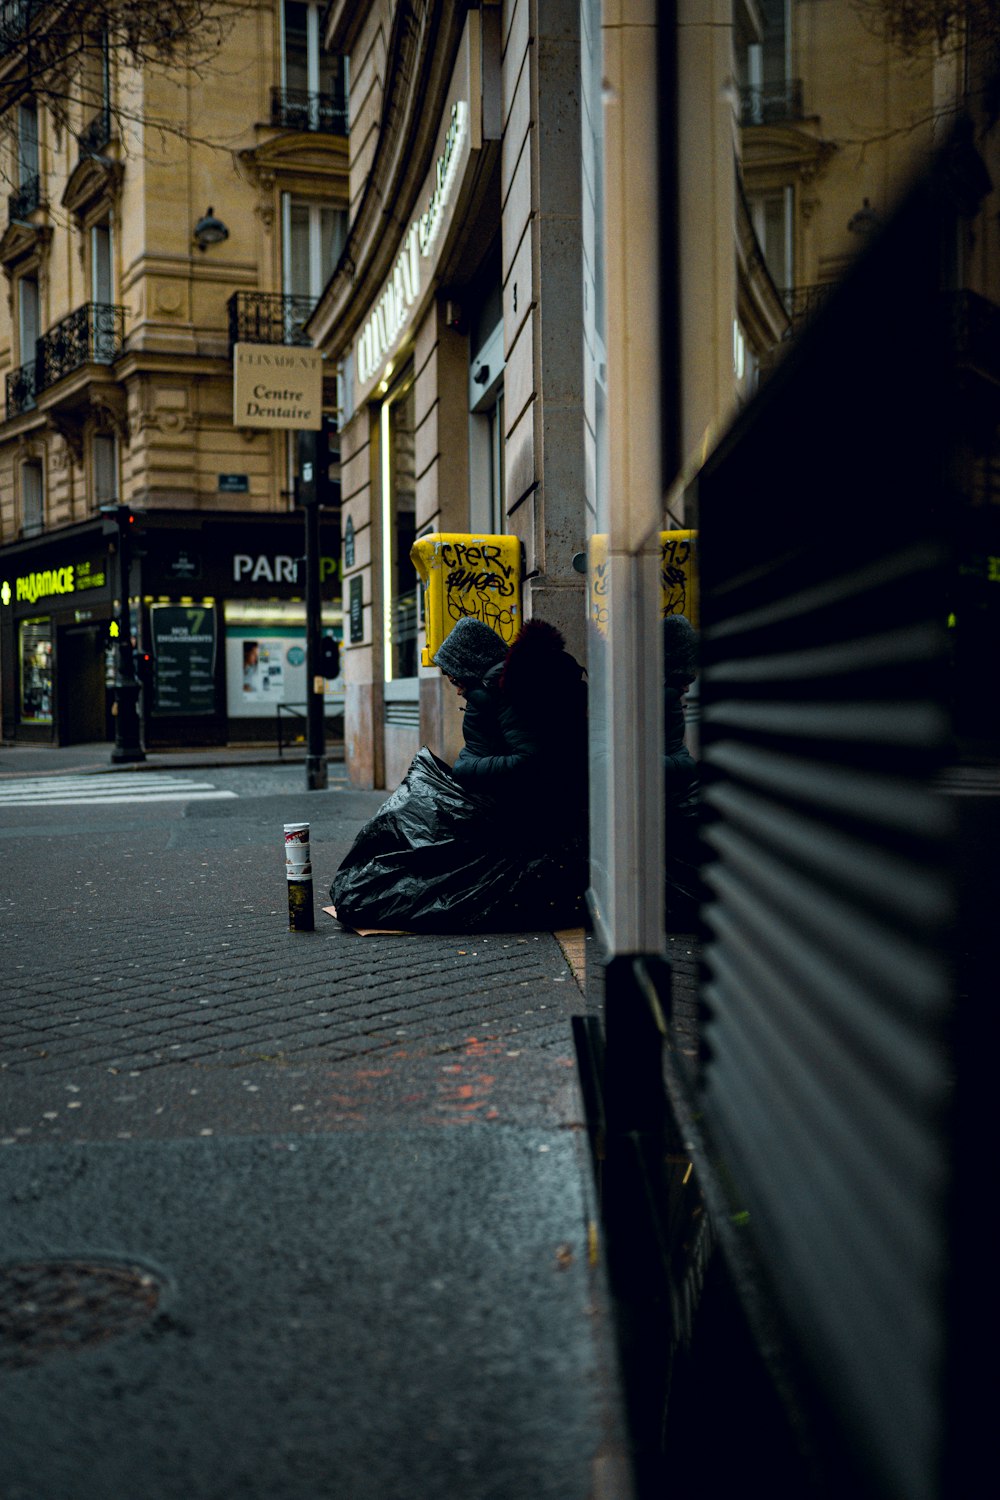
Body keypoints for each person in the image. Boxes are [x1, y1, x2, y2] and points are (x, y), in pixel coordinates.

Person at [329, 616, 588, 932]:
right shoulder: (511, 686)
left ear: (469, 664)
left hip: (516, 811)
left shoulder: (494, 693)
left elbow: (530, 759)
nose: (455, 690)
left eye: (454, 681)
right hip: (538, 805)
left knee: (411, 829)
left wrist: (467, 770)